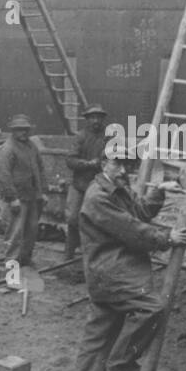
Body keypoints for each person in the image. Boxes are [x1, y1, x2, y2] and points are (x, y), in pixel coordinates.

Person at [69, 141, 186, 371]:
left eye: (128, 165)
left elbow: (140, 213)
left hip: (109, 272)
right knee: (153, 308)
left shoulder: (116, 189)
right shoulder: (98, 197)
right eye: (118, 163)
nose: (124, 170)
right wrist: (167, 237)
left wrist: (158, 191)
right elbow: (132, 230)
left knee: (98, 333)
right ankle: (122, 359)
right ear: (103, 164)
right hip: (112, 273)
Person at [0, 113, 46, 266]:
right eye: (19, 129)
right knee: (14, 237)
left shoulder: (31, 146)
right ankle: (11, 276)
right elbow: (3, 175)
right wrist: (12, 198)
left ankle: (25, 262)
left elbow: (40, 169)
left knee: (31, 233)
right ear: (13, 131)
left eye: (25, 129)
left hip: (33, 197)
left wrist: (43, 192)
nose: (23, 132)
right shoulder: (7, 149)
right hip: (18, 199)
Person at [64, 105, 109, 261]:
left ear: (103, 119)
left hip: (99, 186)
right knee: (72, 219)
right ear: (87, 120)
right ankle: (69, 253)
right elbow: (70, 160)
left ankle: (94, 254)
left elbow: (116, 158)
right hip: (80, 184)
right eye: (92, 118)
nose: (96, 121)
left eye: (99, 117)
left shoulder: (108, 137)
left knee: (97, 221)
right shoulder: (81, 137)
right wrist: (88, 164)